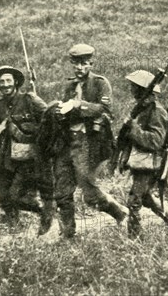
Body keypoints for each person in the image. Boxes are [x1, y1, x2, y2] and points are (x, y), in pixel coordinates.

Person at [50, 43, 127, 238]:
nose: (79, 68)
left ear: (91, 63)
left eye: (84, 64)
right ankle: (67, 234)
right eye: (76, 64)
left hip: (90, 143)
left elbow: (104, 110)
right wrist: (59, 112)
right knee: (62, 191)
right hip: (68, 142)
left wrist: (77, 105)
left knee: (89, 193)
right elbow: (65, 111)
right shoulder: (69, 85)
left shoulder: (100, 83)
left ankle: (120, 213)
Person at [0, 66, 55, 235]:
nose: (5, 84)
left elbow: (49, 118)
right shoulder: (1, 105)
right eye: (1, 82)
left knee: (17, 196)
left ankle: (46, 214)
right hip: (8, 157)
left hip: (30, 157)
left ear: (15, 82)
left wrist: (34, 132)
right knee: (4, 198)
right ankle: (15, 230)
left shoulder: (30, 99)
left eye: (8, 80)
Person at [122, 70, 168, 238]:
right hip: (142, 161)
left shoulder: (157, 111)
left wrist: (133, 127)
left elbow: (155, 141)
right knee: (145, 197)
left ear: (142, 89)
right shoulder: (143, 109)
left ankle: (135, 238)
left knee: (134, 200)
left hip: (151, 163)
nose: (131, 89)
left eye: (134, 87)